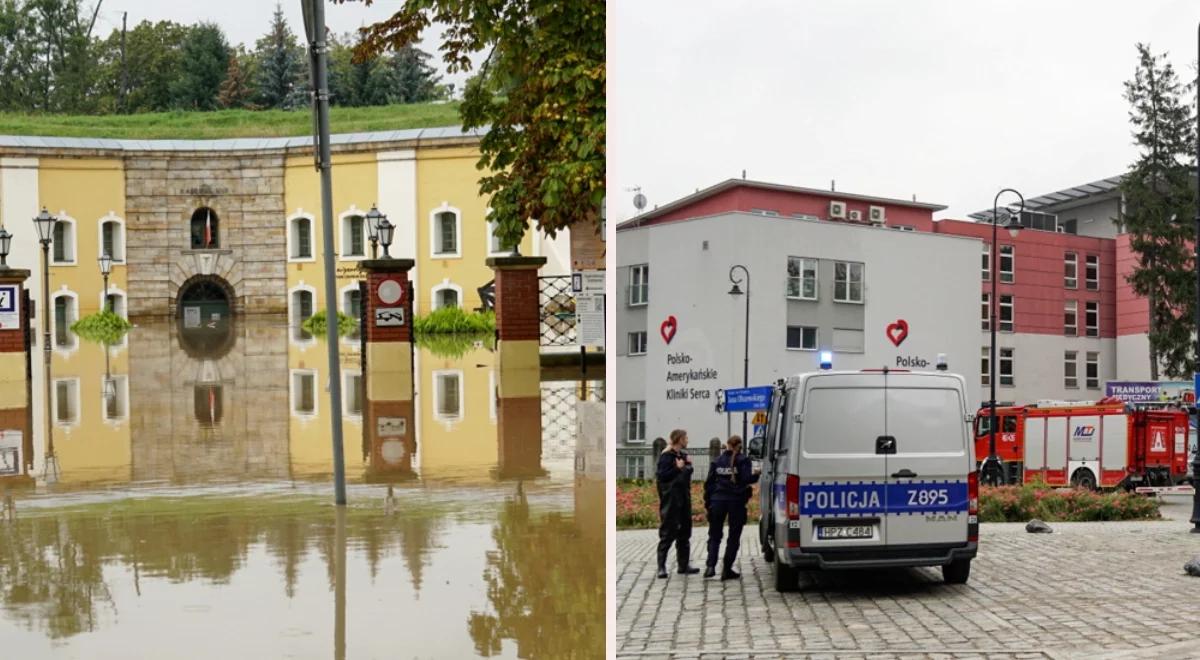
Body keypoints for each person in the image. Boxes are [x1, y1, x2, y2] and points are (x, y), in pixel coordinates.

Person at [703, 435, 759, 580]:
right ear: (740, 446)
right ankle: (727, 569)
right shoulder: (743, 460)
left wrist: (708, 503)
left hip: (717, 501)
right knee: (733, 536)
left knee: (714, 535)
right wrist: (756, 475)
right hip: (736, 501)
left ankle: (710, 566)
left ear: (727, 445)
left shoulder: (717, 461)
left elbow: (708, 484)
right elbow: (746, 479)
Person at [656, 428, 700, 578]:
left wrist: (686, 467)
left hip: (684, 498)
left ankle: (683, 564)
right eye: (686, 438)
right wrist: (677, 468)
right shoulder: (666, 457)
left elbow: (687, 471)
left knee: (685, 532)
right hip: (671, 500)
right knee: (668, 532)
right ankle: (661, 566)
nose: (687, 440)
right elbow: (662, 476)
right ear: (680, 439)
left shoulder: (683, 455)